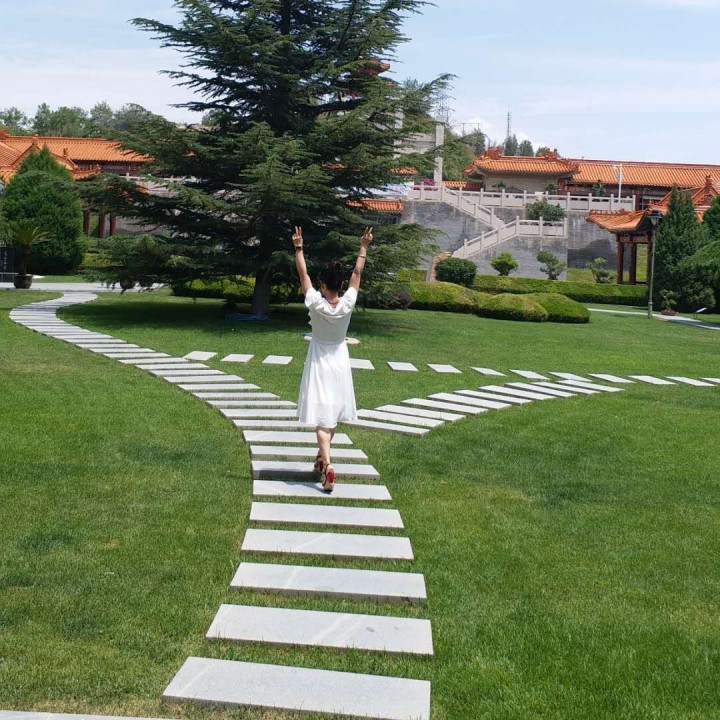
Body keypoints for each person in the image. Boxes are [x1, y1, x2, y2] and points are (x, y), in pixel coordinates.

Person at [292, 225, 373, 492]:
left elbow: (302, 274)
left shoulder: (316, 303)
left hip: (319, 360)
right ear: (339, 285)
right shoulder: (347, 303)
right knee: (332, 414)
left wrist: (299, 248)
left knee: (321, 417)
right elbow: (357, 274)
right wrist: (363, 247)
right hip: (339, 359)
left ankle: (327, 464)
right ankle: (321, 457)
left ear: (322, 285)